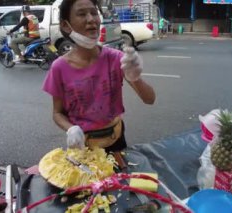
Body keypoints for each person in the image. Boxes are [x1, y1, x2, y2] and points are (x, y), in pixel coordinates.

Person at [42, 0, 156, 153]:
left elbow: (150, 99)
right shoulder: (59, 68)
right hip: (82, 144)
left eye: (94, 13)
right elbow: (57, 113)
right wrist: (71, 129)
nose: (91, 19)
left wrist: (136, 77)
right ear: (65, 25)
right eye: (82, 14)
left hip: (115, 138)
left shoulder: (117, 59)